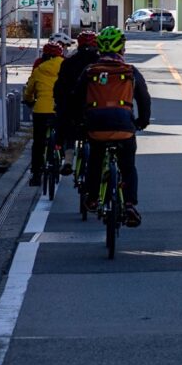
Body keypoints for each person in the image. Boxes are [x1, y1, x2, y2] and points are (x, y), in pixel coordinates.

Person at [70, 26, 150, 227]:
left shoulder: (90, 71)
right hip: (124, 125)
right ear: (122, 48)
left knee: (96, 160)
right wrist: (142, 121)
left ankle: (92, 198)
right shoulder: (130, 71)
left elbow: (76, 99)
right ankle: (130, 204)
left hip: (96, 125)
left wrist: (79, 122)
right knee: (128, 166)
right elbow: (144, 99)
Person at [53, 30, 100, 175]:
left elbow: (59, 87)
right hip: (95, 108)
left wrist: (59, 103)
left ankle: (68, 160)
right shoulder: (100, 63)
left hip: (72, 106)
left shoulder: (68, 62)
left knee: (69, 130)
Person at [23, 42, 64, 187]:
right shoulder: (65, 66)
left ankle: (36, 174)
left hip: (41, 110)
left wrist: (28, 100)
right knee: (63, 134)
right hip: (59, 109)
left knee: (38, 143)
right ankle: (61, 156)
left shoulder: (39, 69)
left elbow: (29, 91)